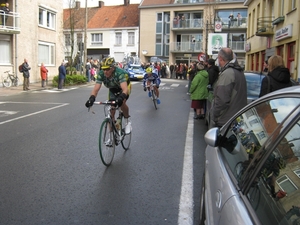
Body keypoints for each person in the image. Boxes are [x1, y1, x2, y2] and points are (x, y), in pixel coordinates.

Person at [85, 57, 132, 134]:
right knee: (111, 111)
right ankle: (112, 135)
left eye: (107, 69)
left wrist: (121, 97)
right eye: (103, 69)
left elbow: (125, 89)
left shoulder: (119, 73)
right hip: (113, 89)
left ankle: (127, 121)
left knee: (122, 103)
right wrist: (91, 98)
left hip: (124, 88)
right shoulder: (101, 74)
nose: (105, 71)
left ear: (113, 68)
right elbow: (95, 89)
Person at [210, 48, 247, 128]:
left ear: (220, 58)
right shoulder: (238, 71)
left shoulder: (227, 74)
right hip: (235, 118)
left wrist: (215, 117)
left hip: (225, 120)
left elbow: (222, 100)